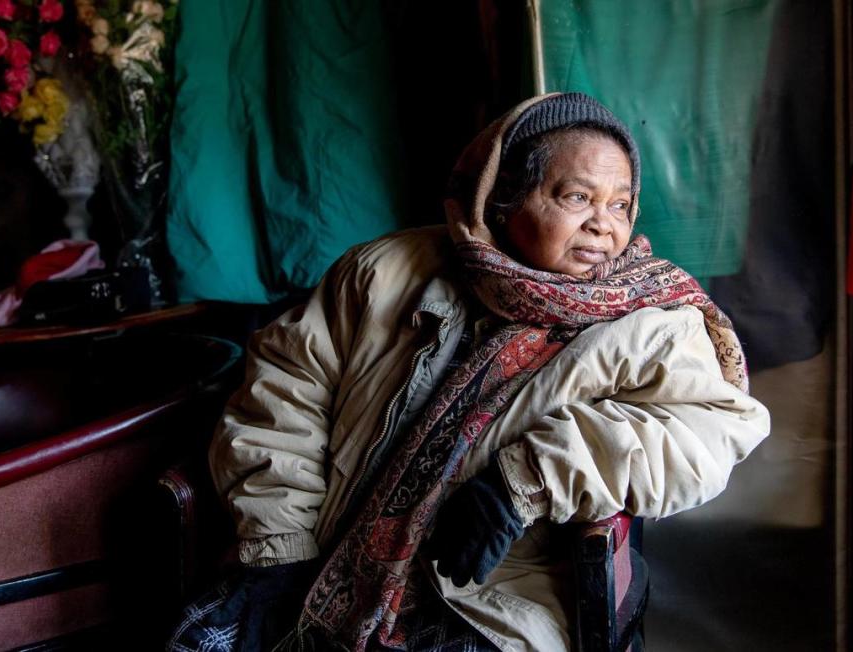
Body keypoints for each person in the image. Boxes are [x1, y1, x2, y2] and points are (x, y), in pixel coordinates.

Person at [167, 92, 770, 652]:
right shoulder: (382, 271)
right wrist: (281, 548)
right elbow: (284, 396)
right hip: (321, 551)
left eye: (620, 204)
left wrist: (525, 479)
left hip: (495, 599)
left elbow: (709, 434)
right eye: (576, 197)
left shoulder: (654, 322)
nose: (603, 225)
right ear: (501, 197)